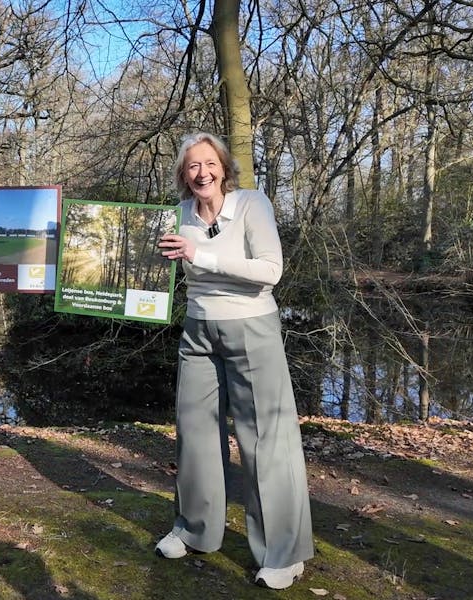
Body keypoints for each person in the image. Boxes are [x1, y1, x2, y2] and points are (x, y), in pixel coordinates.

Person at [155, 131, 314, 590]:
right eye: (192, 165)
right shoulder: (179, 215)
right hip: (198, 330)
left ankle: (283, 553)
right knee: (195, 431)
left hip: (251, 327)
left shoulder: (251, 204)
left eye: (210, 163)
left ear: (224, 168)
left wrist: (199, 254)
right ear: (183, 174)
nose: (202, 172)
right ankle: (195, 530)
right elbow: (150, 268)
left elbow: (270, 270)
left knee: (265, 438)